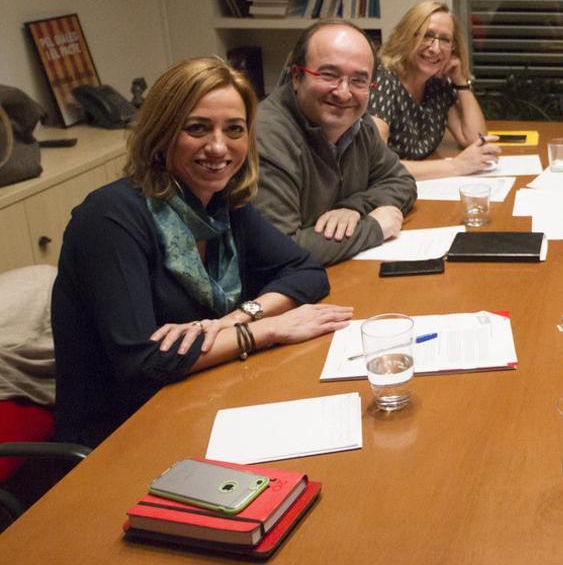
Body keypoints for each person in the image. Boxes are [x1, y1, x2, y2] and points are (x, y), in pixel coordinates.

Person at [51, 58, 351, 447]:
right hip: (122, 434)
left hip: (205, 398)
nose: (218, 147)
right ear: (161, 134)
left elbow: (306, 271)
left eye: (234, 130)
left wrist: (235, 319)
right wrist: (267, 328)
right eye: (197, 128)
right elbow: (141, 362)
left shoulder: (222, 205)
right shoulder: (109, 218)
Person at [255, 20, 417, 265]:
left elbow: (402, 181)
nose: (344, 93)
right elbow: (280, 251)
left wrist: (353, 208)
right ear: (297, 76)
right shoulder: (266, 137)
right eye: (329, 75)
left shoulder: (358, 122)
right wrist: (373, 228)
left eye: (359, 81)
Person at [368, 1, 500, 179]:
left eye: (445, 40)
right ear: (405, 36)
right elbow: (376, 164)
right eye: (426, 35)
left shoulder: (436, 84)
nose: (435, 48)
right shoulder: (383, 80)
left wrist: (460, 81)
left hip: (420, 186)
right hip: (385, 193)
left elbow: (475, 139)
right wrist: (456, 166)